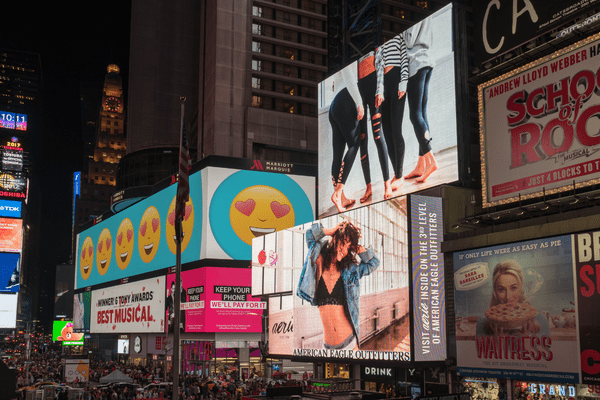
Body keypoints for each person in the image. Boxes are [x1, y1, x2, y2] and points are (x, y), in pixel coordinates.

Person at [297, 220, 380, 350]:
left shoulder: (350, 271)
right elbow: (309, 235)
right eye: (343, 243)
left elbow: (373, 263)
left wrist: (360, 250)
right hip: (327, 347)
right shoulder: (318, 260)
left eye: (348, 247)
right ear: (335, 239)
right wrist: (330, 231)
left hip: (350, 344)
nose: (344, 250)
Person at [401, 17, 438, 183]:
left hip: (416, 62)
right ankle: (420, 164)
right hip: (427, 60)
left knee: (414, 115)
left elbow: (409, 41)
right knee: (421, 114)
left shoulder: (413, 13)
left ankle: (431, 160)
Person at [374, 33, 410, 194]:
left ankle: (400, 175)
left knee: (396, 130)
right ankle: (397, 174)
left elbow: (404, 59)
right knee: (387, 133)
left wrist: (403, 81)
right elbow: (378, 69)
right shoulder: (379, 47)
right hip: (383, 86)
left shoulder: (399, 37)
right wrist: (379, 91)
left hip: (396, 80)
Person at [476, 260, 549, 336]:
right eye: (501, 290)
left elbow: (545, 348)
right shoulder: (482, 323)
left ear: (521, 288)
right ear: (495, 292)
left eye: (513, 288)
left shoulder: (541, 320)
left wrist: (525, 340)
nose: (508, 297)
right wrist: (498, 342)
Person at [327, 66, 365, 213]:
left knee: (337, 154)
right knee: (355, 144)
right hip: (345, 99)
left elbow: (333, 85)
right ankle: (337, 194)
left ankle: (341, 198)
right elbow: (350, 78)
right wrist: (359, 103)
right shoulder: (348, 59)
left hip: (334, 105)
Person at [357, 51, 393, 202]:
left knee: (378, 136)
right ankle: (368, 188)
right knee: (362, 140)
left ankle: (387, 184)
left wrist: (379, 90)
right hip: (358, 89)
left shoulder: (373, 40)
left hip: (373, 84)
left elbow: (380, 63)